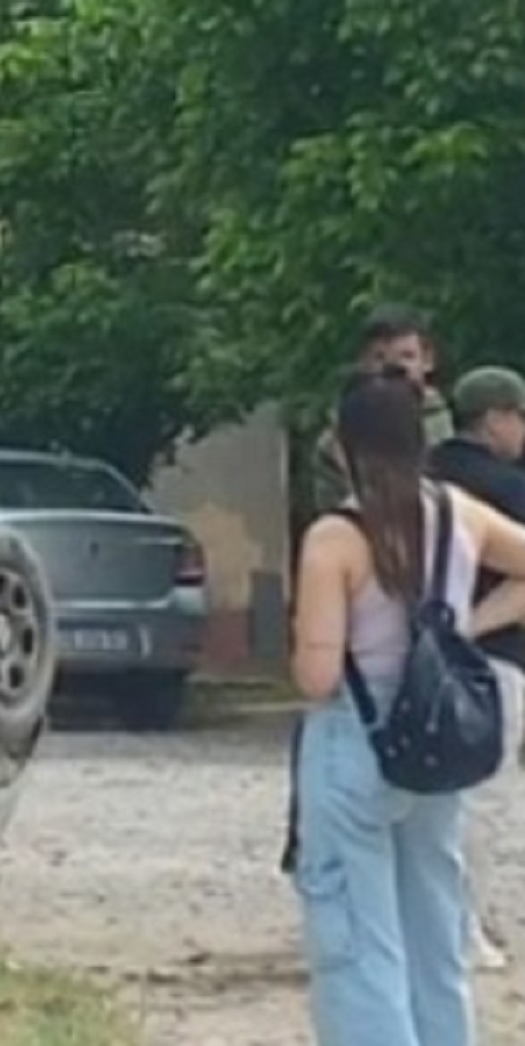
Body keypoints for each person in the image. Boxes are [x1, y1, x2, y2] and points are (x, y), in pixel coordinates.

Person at [288, 366, 525, 1046]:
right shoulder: (459, 514)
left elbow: (317, 673)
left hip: (356, 738)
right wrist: (466, 626)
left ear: (343, 442)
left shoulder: (337, 537)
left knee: (361, 939)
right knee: (434, 930)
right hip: (438, 736)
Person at [427, 365, 525, 972]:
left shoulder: (424, 478)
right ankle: (464, 927)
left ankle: (446, 918)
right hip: (496, 660)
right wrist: (472, 625)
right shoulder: (509, 488)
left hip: (419, 660)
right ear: (495, 419)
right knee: (481, 798)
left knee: (437, 797)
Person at [311, 303, 453, 515]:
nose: (395, 368)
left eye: (407, 356)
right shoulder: (335, 440)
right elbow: (333, 510)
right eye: (380, 358)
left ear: (428, 361)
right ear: (364, 363)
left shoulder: (454, 431)